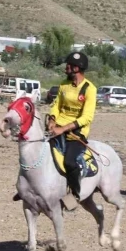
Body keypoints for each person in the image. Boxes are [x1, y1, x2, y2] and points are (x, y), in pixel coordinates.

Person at [48, 51, 97, 210]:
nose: (66, 67)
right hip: (58, 128)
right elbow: (56, 105)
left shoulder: (90, 89)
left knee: (69, 161)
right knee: (39, 152)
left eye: (69, 65)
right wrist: (52, 119)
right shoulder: (64, 84)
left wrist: (63, 129)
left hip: (76, 133)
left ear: (78, 68)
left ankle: (75, 195)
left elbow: (86, 118)